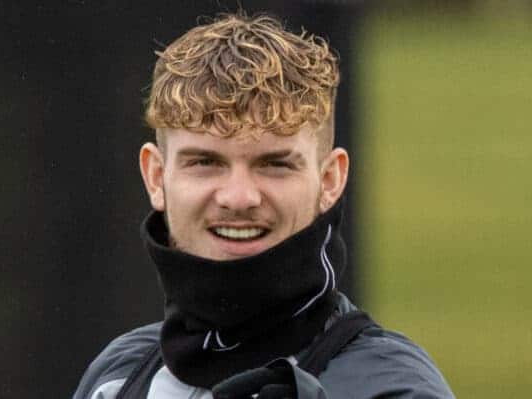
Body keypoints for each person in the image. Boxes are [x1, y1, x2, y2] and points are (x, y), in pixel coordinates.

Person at [73, 13, 454, 399]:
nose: (239, 197)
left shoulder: (390, 388)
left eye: (275, 165)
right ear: (156, 177)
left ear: (330, 180)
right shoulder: (116, 377)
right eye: (205, 162)